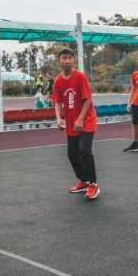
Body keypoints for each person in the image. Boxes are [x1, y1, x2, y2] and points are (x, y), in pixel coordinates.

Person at [53, 48, 99, 199]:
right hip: (72, 122)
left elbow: (88, 99)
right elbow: (57, 101)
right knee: (72, 154)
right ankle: (84, 181)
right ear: (59, 61)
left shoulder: (80, 76)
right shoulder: (58, 81)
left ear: (73, 60)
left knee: (84, 150)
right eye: (64, 58)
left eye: (70, 58)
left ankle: (93, 184)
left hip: (87, 120)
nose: (67, 61)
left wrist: (80, 119)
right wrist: (59, 118)